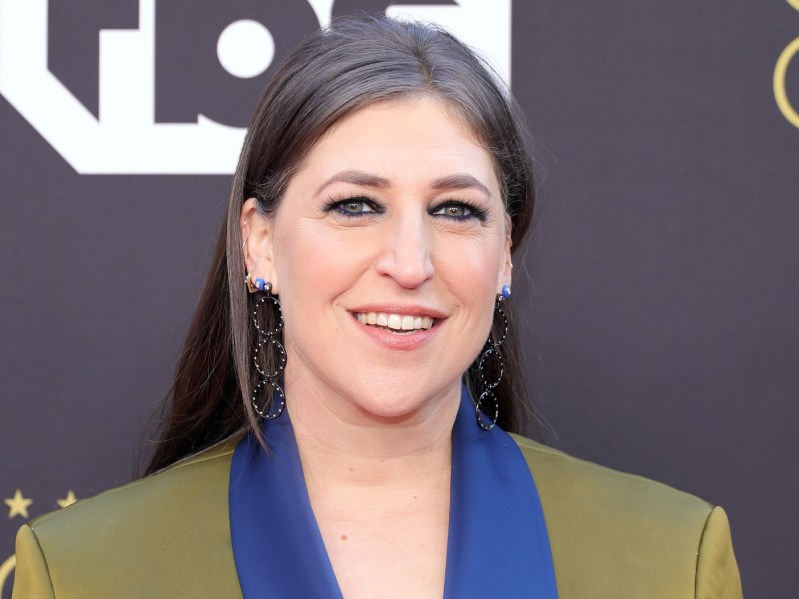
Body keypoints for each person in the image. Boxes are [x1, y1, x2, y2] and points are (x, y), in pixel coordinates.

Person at [12, 15, 742, 598]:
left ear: (505, 255)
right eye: (355, 204)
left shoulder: (670, 559)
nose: (408, 262)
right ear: (259, 242)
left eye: (455, 209)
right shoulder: (84, 574)